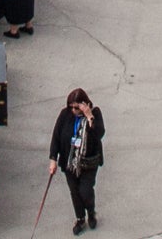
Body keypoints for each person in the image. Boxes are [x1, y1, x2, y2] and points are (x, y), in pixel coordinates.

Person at [49, 88, 104, 236]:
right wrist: (53, 158)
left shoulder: (95, 113)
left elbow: (99, 133)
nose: (73, 110)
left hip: (88, 163)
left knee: (85, 191)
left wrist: (88, 116)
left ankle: (91, 212)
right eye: (71, 107)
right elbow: (56, 136)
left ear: (84, 104)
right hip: (69, 161)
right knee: (74, 192)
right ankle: (80, 218)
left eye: (77, 107)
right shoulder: (65, 114)